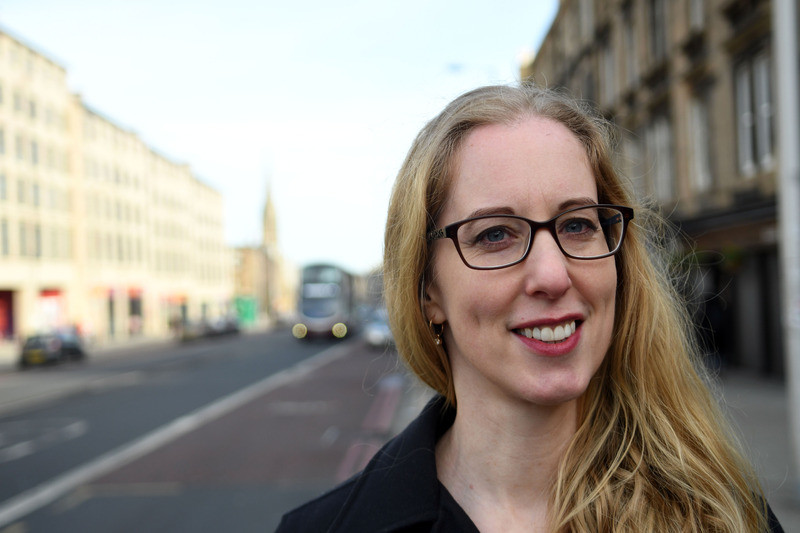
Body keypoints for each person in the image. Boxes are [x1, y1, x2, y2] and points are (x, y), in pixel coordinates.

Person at [276, 83, 783, 532]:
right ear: (428, 291)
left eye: (578, 225)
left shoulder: (724, 515)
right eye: (495, 234)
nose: (552, 275)